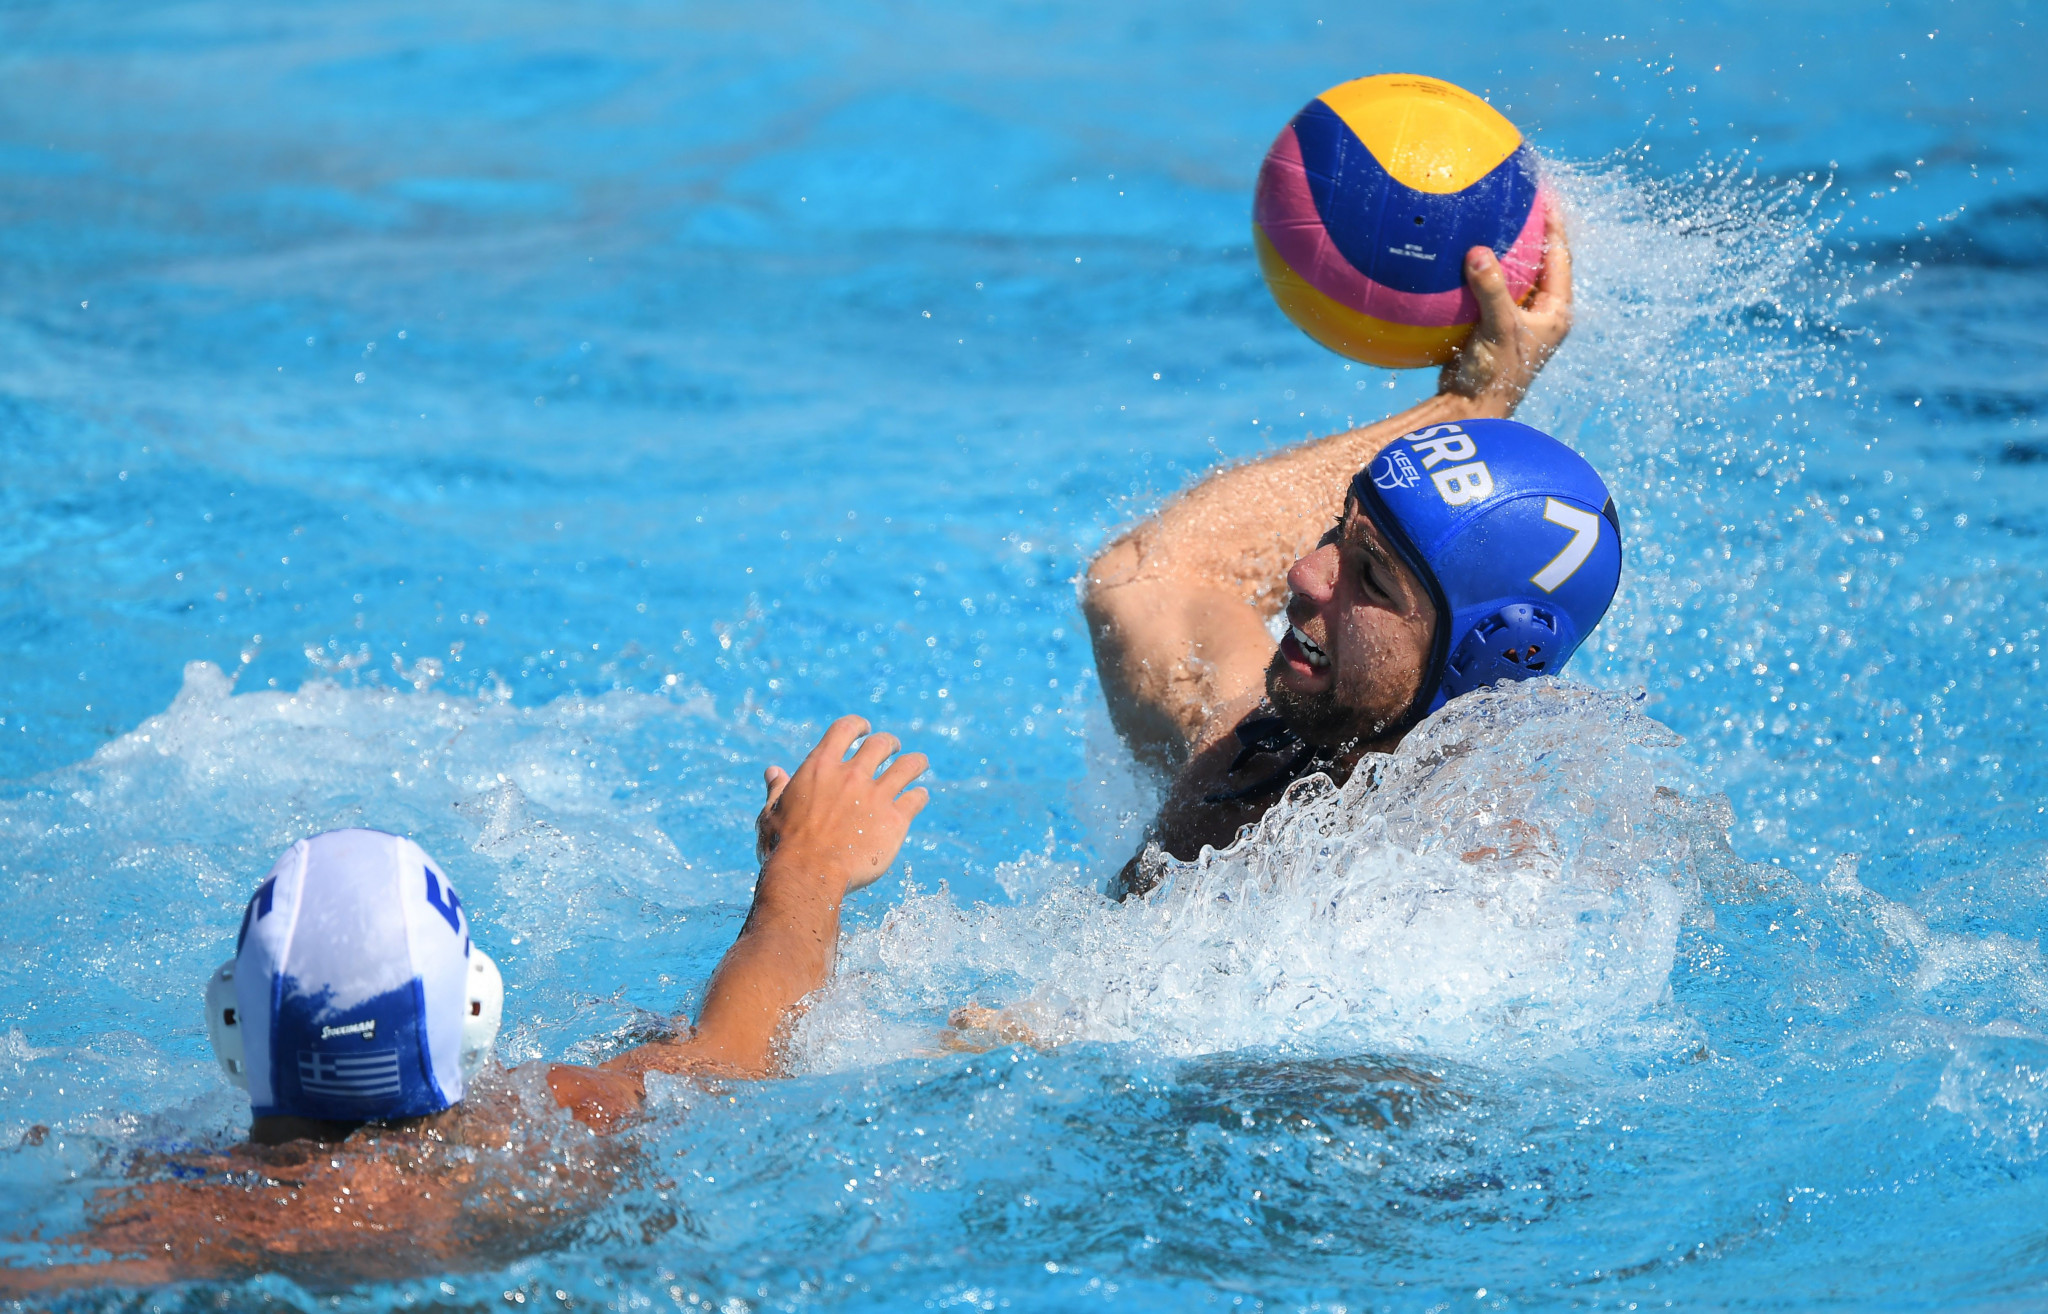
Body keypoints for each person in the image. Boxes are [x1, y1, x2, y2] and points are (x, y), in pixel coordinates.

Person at [0, 716, 928, 1292]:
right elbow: (740, 1046)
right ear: (473, 1010)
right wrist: (804, 867)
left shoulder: (173, 1210)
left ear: (231, 1027)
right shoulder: (554, 1126)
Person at [1082, 213, 1621, 897]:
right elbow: (1143, 577)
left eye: (1370, 577)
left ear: (1484, 655)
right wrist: (1472, 400)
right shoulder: (1261, 748)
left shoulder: (1473, 895)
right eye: (1338, 528)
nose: (1302, 573)